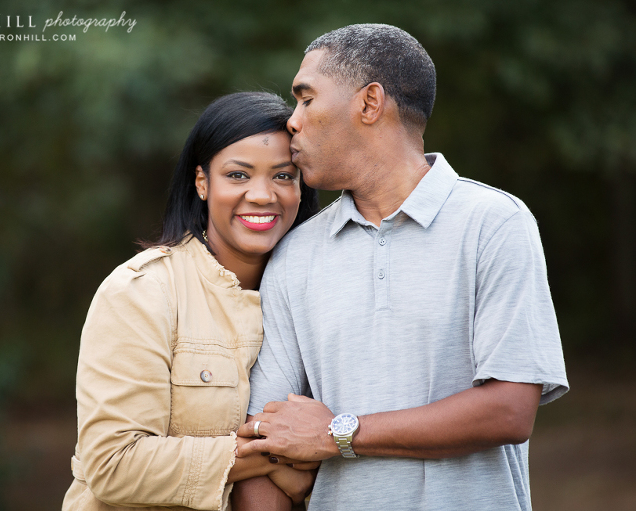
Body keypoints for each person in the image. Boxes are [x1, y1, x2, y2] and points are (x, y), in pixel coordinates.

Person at [233, 24, 569, 510]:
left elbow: (509, 410)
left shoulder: (494, 224)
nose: (292, 121)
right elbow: (265, 435)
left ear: (370, 103)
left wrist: (338, 433)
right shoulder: (294, 253)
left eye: (306, 99)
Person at [62, 91, 320, 511]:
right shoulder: (142, 291)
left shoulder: (317, 298)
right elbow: (113, 464)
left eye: (283, 176)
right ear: (202, 182)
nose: (261, 194)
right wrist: (273, 453)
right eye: (237, 175)